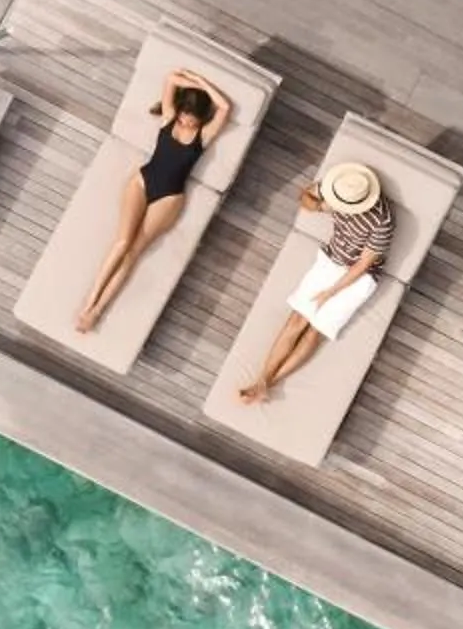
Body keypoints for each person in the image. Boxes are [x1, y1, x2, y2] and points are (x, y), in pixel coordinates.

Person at [76, 68, 230, 332]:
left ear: (202, 119)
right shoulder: (169, 117)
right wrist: (192, 84)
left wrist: (203, 84)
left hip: (168, 198)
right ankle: (89, 301)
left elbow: (224, 107)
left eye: (193, 121)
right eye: (185, 118)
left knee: (133, 252)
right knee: (122, 242)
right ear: (180, 110)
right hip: (141, 181)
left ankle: (96, 312)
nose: (187, 123)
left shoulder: (204, 135)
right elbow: (170, 78)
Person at [237, 161, 394, 403]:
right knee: (297, 320)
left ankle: (266, 383)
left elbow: (362, 265)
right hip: (331, 260)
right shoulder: (338, 188)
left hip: (359, 277)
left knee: (314, 332)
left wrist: (329, 293)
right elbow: (306, 196)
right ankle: (263, 383)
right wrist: (318, 204)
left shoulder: (382, 220)